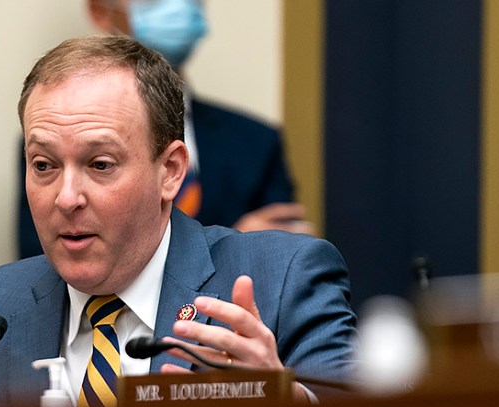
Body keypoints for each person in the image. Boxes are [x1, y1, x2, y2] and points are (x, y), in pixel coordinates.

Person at [0, 34, 355, 407]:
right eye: (44, 165)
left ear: (170, 171)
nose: (67, 198)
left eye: (100, 164)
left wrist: (288, 403)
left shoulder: (283, 279)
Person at [16, 0, 311, 259]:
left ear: (174, 166)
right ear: (101, 11)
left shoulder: (256, 142)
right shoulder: (52, 139)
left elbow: (281, 259)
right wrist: (231, 245)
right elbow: (48, 261)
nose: (176, 6)